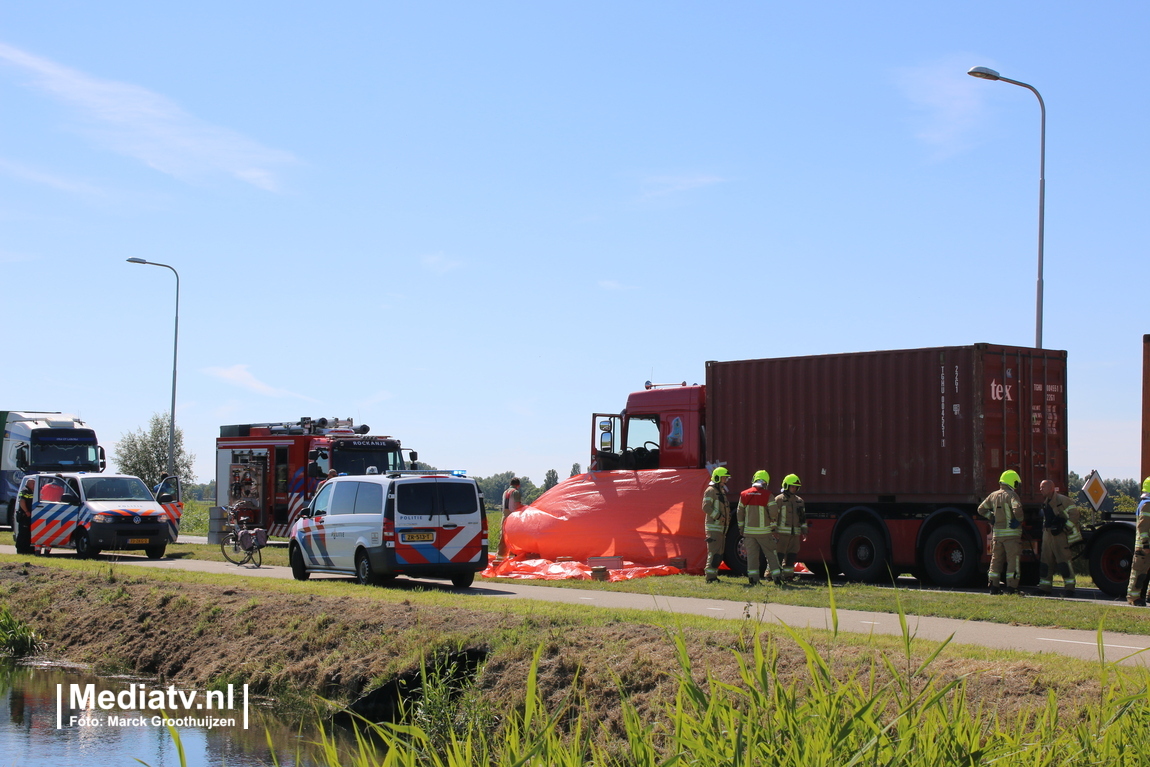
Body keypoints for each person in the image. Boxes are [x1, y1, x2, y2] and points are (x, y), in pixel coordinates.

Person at [978, 469, 1026, 595]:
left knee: (996, 560)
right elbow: (1017, 509)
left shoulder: (993, 495)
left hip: (997, 535)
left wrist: (991, 517)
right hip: (1011, 535)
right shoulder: (1012, 495)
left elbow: (981, 509)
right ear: (1012, 482)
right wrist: (1019, 520)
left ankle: (994, 587)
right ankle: (1012, 588)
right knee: (1012, 561)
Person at [1035, 479, 1080, 597]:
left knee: (1064, 562)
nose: (1040, 489)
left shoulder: (1063, 500)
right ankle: (1044, 588)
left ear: (1051, 488)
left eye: (1043, 487)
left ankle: (1070, 589)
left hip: (1060, 536)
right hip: (1048, 534)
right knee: (1045, 562)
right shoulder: (1046, 501)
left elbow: (1075, 514)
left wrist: (1065, 528)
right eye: (1040, 487)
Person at [737, 470, 779, 586]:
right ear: (766, 482)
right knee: (771, 554)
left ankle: (753, 579)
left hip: (749, 533)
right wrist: (773, 525)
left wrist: (741, 528)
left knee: (751, 556)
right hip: (764, 532)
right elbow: (774, 512)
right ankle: (777, 578)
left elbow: (739, 513)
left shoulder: (744, 494)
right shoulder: (768, 494)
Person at [771, 474, 807, 582]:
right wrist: (774, 531)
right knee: (778, 556)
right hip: (781, 534)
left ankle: (788, 576)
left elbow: (803, 518)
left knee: (791, 557)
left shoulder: (799, 501)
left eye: (796, 487)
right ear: (786, 486)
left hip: (794, 534)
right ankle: (772, 576)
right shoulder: (779, 500)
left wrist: (804, 531)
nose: (794, 489)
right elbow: (773, 517)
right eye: (792, 486)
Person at [702, 467, 731, 583]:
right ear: (718, 477)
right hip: (714, 528)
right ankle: (710, 577)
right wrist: (719, 516)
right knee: (713, 553)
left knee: (718, 554)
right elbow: (706, 507)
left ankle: (714, 576)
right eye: (724, 477)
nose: (726, 479)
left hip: (721, 528)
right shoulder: (711, 490)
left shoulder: (721, 491)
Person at [1125, 477, 1150, 607]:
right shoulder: (1147, 505)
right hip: (1144, 547)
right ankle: (1134, 598)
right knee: (1139, 573)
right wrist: (1146, 544)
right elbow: (1143, 526)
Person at [497, 478, 523, 560]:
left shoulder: (505, 492)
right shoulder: (516, 492)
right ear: (518, 485)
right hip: (513, 517)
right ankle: (512, 557)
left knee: (503, 538)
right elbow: (518, 504)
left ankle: (500, 557)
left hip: (504, 516)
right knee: (513, 537)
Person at [15, 477, 35, 555]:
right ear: (29, 484)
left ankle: (28, 549)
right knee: (23, 533)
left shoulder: (32, 491)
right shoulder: (24, 490)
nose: (34, 485)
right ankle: (21, 549)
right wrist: (26, 511)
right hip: (24, 515)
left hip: (29, 515)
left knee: (28, 533)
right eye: (33, 483)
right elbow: (22, 501)